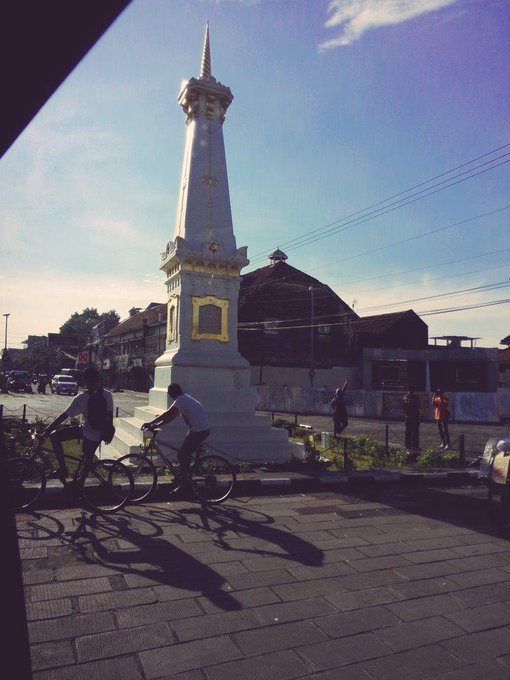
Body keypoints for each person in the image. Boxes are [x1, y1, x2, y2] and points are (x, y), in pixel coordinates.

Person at [42, 366, 114, 482]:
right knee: (87, 459)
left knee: (54, 435)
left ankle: (63, 468)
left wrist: (49, 428)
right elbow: (110, 416)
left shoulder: (81, 398)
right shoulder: (107, 395)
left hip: (84, 430)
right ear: (97, 379)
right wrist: (107, 433)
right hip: (99, 434)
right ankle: (80, 482)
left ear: (84, 380)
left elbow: (65, 415)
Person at [141, 383, 210, 481]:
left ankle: (184, 482)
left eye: (170, 394)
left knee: (181, 455)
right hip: (198, 429)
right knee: (185, 455)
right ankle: (184, 476)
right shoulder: (184, 399)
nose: (170, 396)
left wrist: (150, 423)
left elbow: (167, 414)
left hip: (199, 430)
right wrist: (156, 425)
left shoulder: (180, 400)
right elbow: (171, 417)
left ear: (174, 393)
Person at [402, 384, 420, 453]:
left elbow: (417, 405)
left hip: (413, 416)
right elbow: (404, 406)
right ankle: (409, 446)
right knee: (409, 432)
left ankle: (413, 445)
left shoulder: (409, 397)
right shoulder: (407, 397)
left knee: (413, 432)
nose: (411, 391)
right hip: (410, 416)